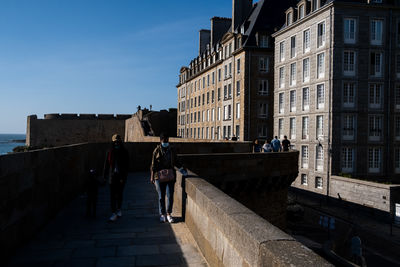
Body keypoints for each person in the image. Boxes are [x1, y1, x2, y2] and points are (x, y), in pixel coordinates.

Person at [151, 133, 181, 223]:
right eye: (164, 141)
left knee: (170, 195)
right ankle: (162, 214)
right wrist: (151, 177)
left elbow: (176, 161)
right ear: (160, 141)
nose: (166, 142)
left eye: (167, 141)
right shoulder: (156, 151)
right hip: (158, 176)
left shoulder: (172, 150)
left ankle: (168, 214)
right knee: (161, 196)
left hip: (170, 175)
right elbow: (153, 165)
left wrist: (182, 167)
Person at [103, 134, 129, 222]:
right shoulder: (109, 152)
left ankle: (119, 209)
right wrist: (104, 176)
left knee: (120, 193)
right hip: (112, 176)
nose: (116, 143)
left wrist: (124, 176)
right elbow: (106, 165)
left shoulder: (124, 152)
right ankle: (114, 212)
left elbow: (127, 165)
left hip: (121, 176)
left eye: (118, 141)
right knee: (112, 195)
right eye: (115, 142)